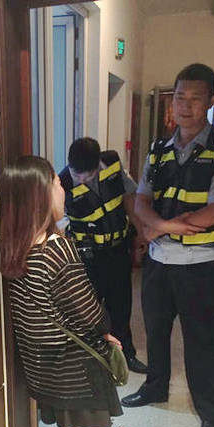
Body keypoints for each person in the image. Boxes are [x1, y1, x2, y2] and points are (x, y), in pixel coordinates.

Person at [0, 155, 123, 427]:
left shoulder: (13, 248)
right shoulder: (58, 249)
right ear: (39, 194)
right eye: (56, 182)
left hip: (43, 366)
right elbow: (88, 312)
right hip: (75, 366)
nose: (63, 188)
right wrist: (106, 331)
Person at [121, 63, 214, 427]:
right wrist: (166, 227)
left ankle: (210, 410)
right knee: (156, 331)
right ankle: (155, 387)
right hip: (158, 262)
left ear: (211, 101)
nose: (184, 106)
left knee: (202, 340)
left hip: (199, 267)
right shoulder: (159, 150)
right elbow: (141, 201)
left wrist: (158, 227)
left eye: (195, 99)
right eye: (180, 98)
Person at [59, 138, 148, 374]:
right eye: (77, 175)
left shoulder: (113, 165)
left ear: (98, 164)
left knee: (121, 307)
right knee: (88, 311)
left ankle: (126, 356)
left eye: (88, 175)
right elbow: (57, 224)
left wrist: (141, 233)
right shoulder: (62, 183)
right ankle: (91, 361)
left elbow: (129, 200)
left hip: (118, 250)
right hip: (86, 257)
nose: (82, 180)